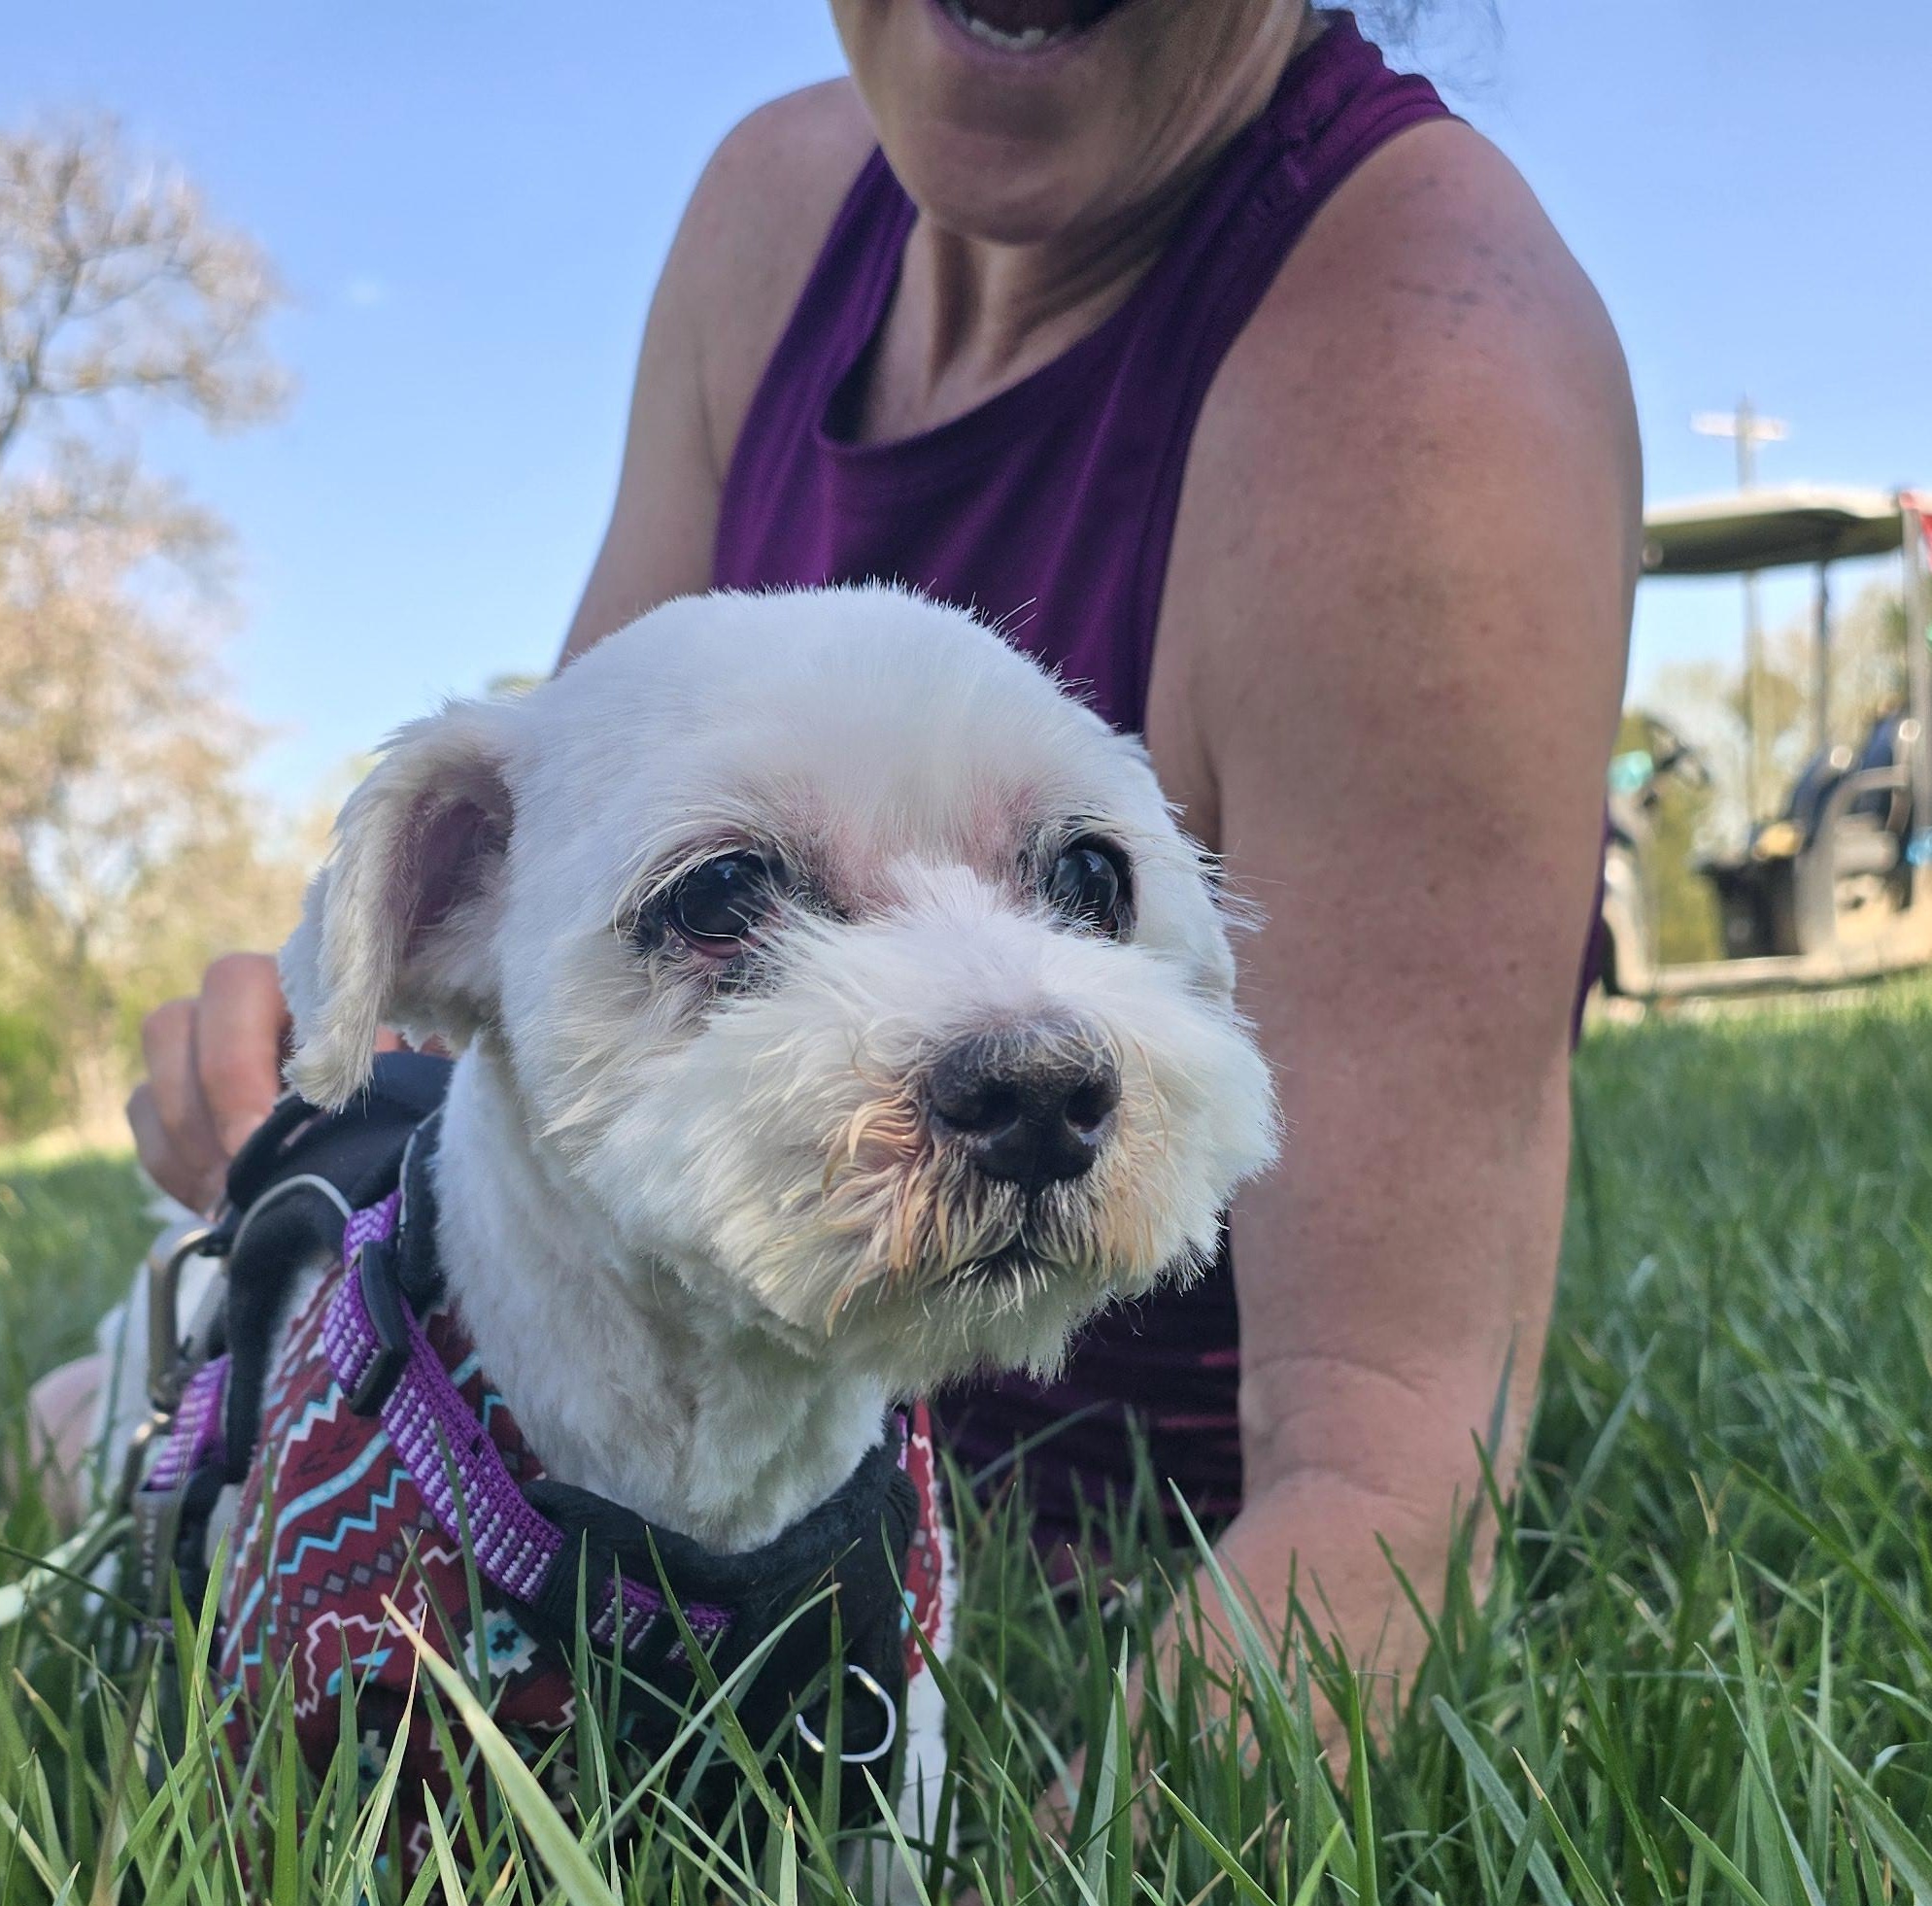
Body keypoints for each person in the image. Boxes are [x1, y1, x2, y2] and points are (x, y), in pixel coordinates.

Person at [126, 1, 1640, 1752]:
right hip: (661, 1358)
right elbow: (569, 885)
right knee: (128, 1395)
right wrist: (317, 1057)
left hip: (1090, 1494)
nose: (1013, 1027)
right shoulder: (772, 205)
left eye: (1078, 877)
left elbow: (1391, 1467)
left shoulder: (1429, 364)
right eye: (729, 900)